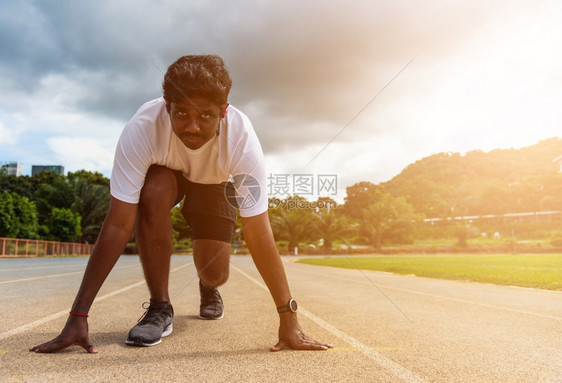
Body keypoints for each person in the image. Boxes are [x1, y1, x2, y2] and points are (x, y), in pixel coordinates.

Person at [30, 54, 332, 353]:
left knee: (215, 273)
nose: (193, 127)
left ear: (223, 112)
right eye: (182, 113)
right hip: (167, 173)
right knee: (153, 188)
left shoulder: (242, 140)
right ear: (167, 107)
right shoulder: (142, 128)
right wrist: (78, 315)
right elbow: (119, 222)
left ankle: (207, 285)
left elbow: (257, 230)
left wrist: (288, 315)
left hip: (215, 183)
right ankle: (160, 307)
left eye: (206, 115)